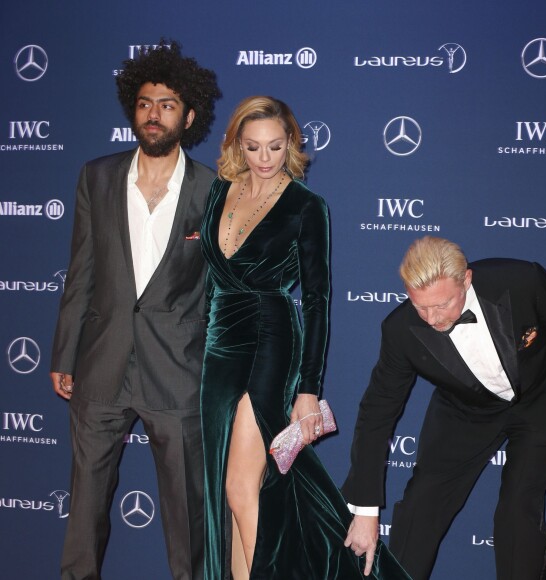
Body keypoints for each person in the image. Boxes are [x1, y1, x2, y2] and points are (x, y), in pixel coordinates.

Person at [199, 96, 411, 579]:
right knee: (226, 493)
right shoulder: (218, 192)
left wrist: (308, 388)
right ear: (237, 145)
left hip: (269, 340)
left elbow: (317, 299)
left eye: (276, 146)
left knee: (240, 486)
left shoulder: (306, 206)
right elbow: (211, 279)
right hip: (218, 341)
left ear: (291, 144)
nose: (266, 158)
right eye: (253, 147)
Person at [50, 41, 220, 580]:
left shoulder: (213, 191)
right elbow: (82, 272)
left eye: (167, 104)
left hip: (178, 371)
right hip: (101, 364)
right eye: (145, 103)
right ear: (133, 110)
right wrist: (65, 352)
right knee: (85, 512)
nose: (154, 113)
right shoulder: (96, 177)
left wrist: (218, 370)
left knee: (187, 516)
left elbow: (221, 289)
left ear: (188, 115)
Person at [342, 236, 546, 580]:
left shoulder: (521, 280)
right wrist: (364, 509)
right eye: (420, 306)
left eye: (442, 304)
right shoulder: (400, 330)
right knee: (421, 506)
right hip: (465, 411)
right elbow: (377, 412)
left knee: (518, 508)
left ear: (466, 280)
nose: (432, 318)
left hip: (541, 398)